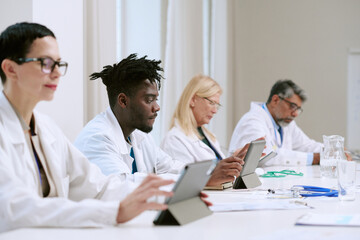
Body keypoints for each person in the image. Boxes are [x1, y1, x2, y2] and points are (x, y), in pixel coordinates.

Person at [0, 22, 175, 233]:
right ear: (10, 69)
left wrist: (163, 193)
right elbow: (15, 208)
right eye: (45, 63)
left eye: (58, 64)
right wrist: (113, 212)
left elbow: (98, 186)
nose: (56, 73)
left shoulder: (46, 129)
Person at [74, 58, 245, 187]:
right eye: (149, 100)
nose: (157, 107)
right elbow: (123, 185)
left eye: (156, 99)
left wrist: (214, 170)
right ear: (123, 101)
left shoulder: (138, 135)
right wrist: (205, 178)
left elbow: (170, 166)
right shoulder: (98, 137)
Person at [160, 74, 249, 187]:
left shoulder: (207, 135)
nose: (215, 110)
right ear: (193, 100)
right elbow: (187, 182)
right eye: (211, 103)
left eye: (217, 105)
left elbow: (216, 171)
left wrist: (233, 160)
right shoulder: (174, 140)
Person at [228, 79, 323, 166]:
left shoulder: (286, 123)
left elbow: (307, 145)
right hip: (250, 184)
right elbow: (265, 156)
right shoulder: (252, 121)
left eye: (298, 109)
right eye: (293, 106)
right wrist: (313, 158)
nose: (295, 114)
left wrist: (330, 150)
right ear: (275, 100)